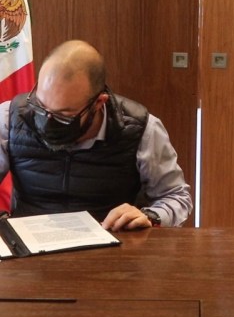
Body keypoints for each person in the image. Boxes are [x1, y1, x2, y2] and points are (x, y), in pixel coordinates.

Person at [0, 40, 192, 230]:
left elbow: (176, 196)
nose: (47, 121)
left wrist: (150, 216)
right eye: (40, 106)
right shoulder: (10, 118)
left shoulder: (142, 129)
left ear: (99, 103)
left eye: (64, 116)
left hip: (111, 240)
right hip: (29, 241)